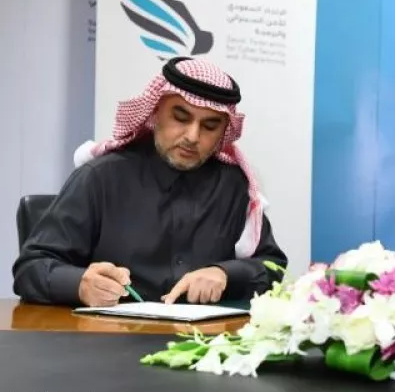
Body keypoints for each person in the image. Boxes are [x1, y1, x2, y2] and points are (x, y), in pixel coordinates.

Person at [12, 57, 288, 307]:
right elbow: (30, 268)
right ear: (155, 113)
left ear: (223, 132)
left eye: (209, 126)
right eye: (180, 117)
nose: (192, 136)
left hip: (201, 341)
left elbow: (272, 267)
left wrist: (225, 274)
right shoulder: (101, 178)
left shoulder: (232, 187)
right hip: (111, 341)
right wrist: (80, 284)